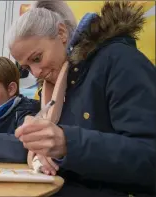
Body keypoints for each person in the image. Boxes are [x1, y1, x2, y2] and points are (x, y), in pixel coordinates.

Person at [9, 1, 156, 196]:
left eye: (37, 58)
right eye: (26, 68)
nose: (36, 73)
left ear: (62, 33)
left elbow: (148, 156)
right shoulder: (59, 82)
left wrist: (67, 143)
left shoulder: (121, 61)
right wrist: (40, 151)